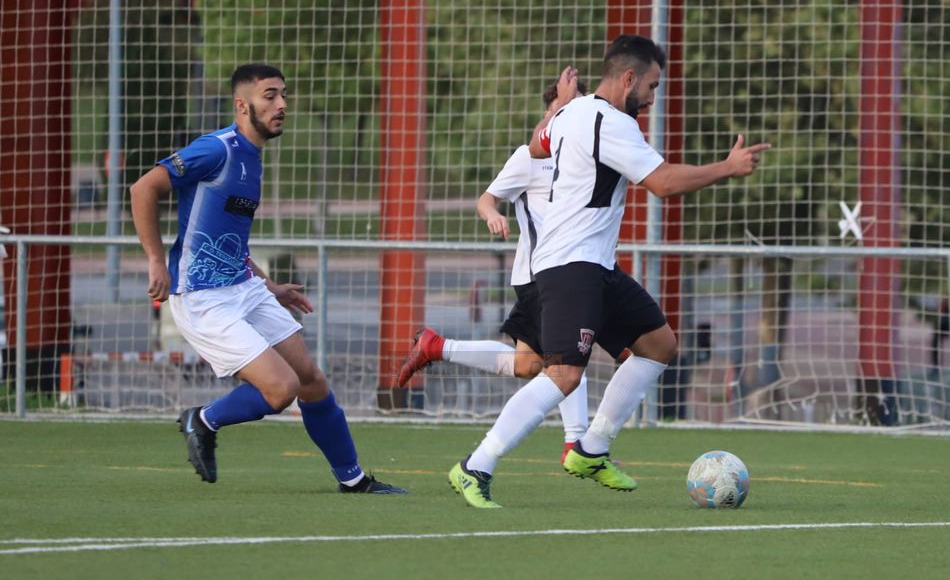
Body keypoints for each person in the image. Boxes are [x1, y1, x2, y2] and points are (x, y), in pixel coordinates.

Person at [448, 35, 770, 508]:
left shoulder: (568, 115)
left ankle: (591, 448)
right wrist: (727, 166)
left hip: (594, 264)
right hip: (569, 266)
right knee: (561, 376)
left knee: (659, 344)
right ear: (628, 79)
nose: (653, 98)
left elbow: (538, 147)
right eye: (652, 87)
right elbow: (660, 184)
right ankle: (476, 466)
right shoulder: (612, 122)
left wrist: (557, 108)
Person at [130, 63, 406, 494]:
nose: (282, 105)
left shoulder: (252, 157)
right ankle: (202, 420)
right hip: (204, 298)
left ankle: (353, 480)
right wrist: (155, 261)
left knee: (311, 380)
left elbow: (231, 241)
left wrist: (269, 285)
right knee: (281, 390)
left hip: (244, 288)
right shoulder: (216, 149)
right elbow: (143, 188)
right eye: (270, 96)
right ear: (243, 105)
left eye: (283, 96)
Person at [397, 77, 631, 464]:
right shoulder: (529, 156)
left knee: (528, 365)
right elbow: (486, 199)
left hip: (568, 269)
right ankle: (576, 442)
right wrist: (493, 215)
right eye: (563, 105)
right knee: (572, 352)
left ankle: (436, 346)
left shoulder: (588, 153)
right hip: (544, 273)